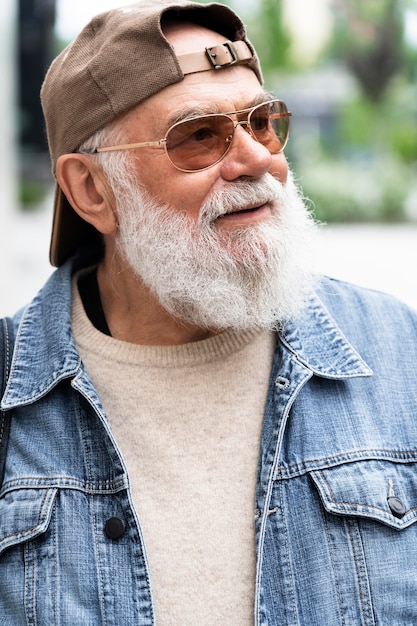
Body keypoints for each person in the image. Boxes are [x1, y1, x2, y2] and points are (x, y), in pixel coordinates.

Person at [1, 1, 417, 624]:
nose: (256, 160)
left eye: (263, 121)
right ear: (92, 188)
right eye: (199, 136)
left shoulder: (400, 353)